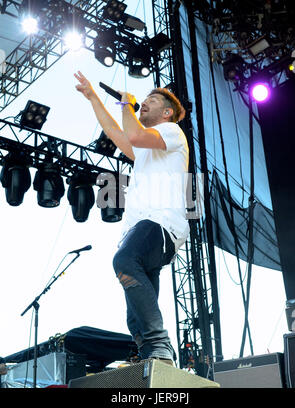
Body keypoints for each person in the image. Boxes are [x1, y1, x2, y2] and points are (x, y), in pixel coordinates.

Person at [74, 71, 189, 365]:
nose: (145, 104)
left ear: (167, 113)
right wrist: (93, 98)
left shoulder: (172, 132)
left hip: (161, 223)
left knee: (123, 262)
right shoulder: (146, 152)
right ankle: (152, 355)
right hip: (143, 228)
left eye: (151, 101)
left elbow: (135, 134)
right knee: (134, 315)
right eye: (144, 101)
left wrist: (128, 105)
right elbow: (117, 133)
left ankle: (159, 345)